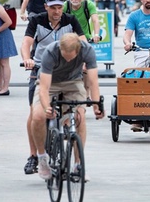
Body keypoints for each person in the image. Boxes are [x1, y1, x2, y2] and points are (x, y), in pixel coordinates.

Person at [21, 0, 86, 175]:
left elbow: (82, 41)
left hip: (66, 72)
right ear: (46, 7)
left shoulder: (70, 20)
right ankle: (34, 156)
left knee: (75, 111)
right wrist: (27, 59)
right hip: (41, 69)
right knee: (35, 113)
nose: (57, 11)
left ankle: (76, 160)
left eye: (59, 7)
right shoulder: (37, 21)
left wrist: (82, 60)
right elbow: (26, 43)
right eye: (53, 8)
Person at [30, 33, 104, 180]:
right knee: (38, 116)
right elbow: (44, 88)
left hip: (73, 82)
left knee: (79, 117)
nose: (67, 60)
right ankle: (42, 157)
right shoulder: (51, 52)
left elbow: (93, 81)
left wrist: (96, 105)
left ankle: (78, 163)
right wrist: (46, 107)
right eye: (64, 56)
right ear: (60, 48)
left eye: (71, 57)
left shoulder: (87, 50)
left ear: (78, 50)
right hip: (50, 83)